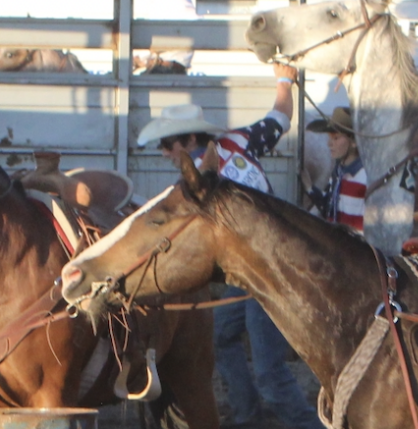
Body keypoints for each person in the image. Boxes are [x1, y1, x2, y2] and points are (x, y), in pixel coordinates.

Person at [134, 63, 323, 429]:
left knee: (269, 373)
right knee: (222, 335)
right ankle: (248, 415)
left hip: (266, 272)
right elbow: (280, 117)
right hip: (265, 264)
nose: (164, 152)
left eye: (168, 144)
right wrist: (284, 80)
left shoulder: (197, 182)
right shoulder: (239, 141)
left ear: (190, 140)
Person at [306, 108, 367, 233]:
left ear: (354, 142)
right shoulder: (338, 172)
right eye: (330, 137)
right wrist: (309, 188)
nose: (329, 143)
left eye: (336, 138)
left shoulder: (365, 177)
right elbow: (329, 207)